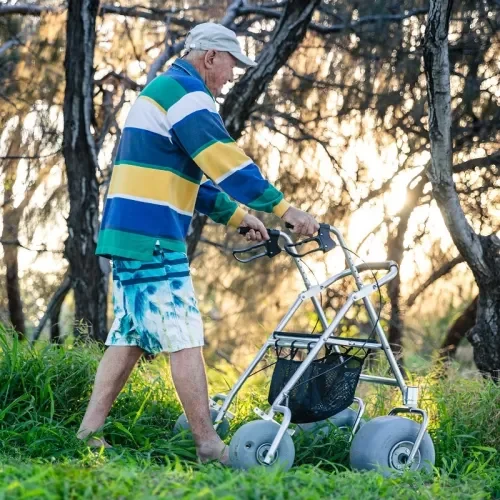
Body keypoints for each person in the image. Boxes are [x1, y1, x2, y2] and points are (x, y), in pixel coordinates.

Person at [77, 22, 319, 465]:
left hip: (132, 230)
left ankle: (88, 434)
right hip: (151, 234)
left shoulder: (165, 90)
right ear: (209, 57)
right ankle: (208, 446)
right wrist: (284, 209)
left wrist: (238, 215)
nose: (231, 77)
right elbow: (222, 159)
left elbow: (192, 177)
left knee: (128, 336)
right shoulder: (187, 94)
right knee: (185, 336)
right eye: (230, 66)